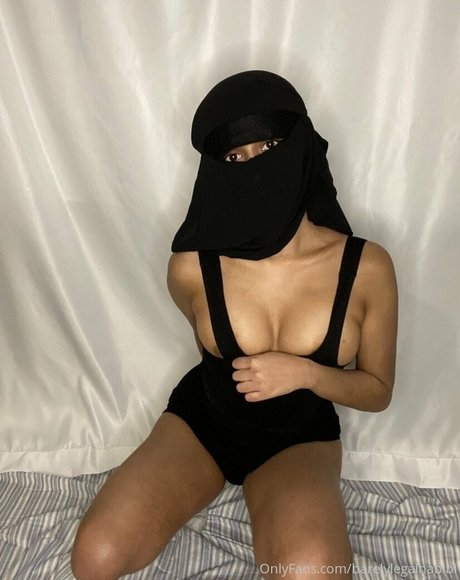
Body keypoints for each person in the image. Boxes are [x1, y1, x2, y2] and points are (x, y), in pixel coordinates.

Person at [71, 71, 398, 580]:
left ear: (301, 147)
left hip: (299, 438)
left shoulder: (366, 268)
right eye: (234, 157)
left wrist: (307, 374)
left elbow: (377, 391)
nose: (255, 167)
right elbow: (205, 341)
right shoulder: (190, 268)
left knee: (315, 572)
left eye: (269, 146)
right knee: (94, 558)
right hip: (204, 425)